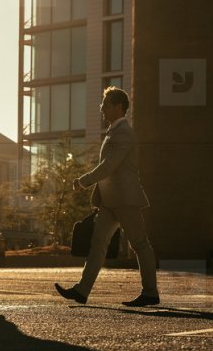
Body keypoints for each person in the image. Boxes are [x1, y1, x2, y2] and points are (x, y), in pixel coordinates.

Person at [54, 86, 159, 307]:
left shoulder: (124, 134)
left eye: (106, 104)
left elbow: (109, 166)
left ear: (118, 107)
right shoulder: (114, 132)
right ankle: (82, 291)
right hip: (110, 201)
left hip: (126, 199)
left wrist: (83, 181)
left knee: (140, 244)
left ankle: (150, 292)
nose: (102, 108)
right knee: (98, 243)